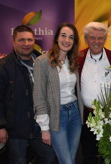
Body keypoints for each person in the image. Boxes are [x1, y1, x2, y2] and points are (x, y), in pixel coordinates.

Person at [0, 25, 57, 164]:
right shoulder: (1, 67)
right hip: (15, 128)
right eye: (21, 40)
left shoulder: (45, 63)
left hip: (41, 125)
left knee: (50, 158)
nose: (26, 44)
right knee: (18, 161)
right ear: (13, 42)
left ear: (34, 41)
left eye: (29, 40)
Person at [33, 23, 83, 164]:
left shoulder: (73, 61)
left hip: (74, 114)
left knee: (71, 159)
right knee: (66, 161)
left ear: (74, 42)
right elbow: (39, 96)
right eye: (63, 35)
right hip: (56, 115)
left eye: (71, 37)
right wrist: (44, 128)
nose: (67, 40)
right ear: (56, 38)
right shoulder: (42, 61)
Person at [78, 22, 111, 164]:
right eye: (92, 38)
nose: (96, 41)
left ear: (105, 39)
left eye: (100, 38)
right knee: (88, 155)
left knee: (109, 155)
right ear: (86, 39)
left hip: (109, 115)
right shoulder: (78, 58)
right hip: (86, 116)